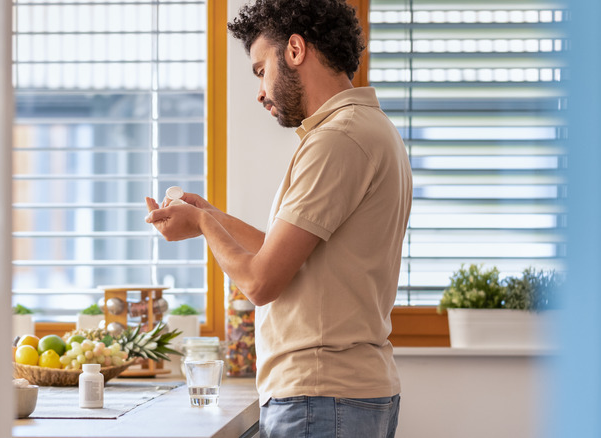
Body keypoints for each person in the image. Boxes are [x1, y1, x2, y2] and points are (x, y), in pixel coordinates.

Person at [144, 0, 412, 436]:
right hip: (345, 395)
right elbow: (287, 255)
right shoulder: (366, 129)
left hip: (321, 397)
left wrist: (204, 227)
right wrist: (208, 214)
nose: (260, 91)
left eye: (259, 69)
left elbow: (261, 283)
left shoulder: (338, 140)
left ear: (294, 50)